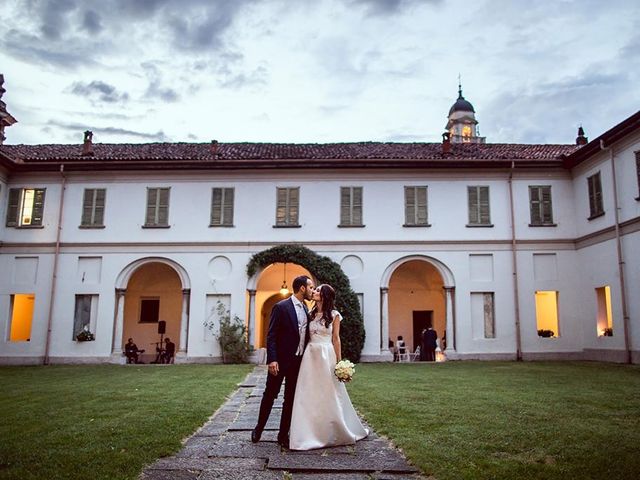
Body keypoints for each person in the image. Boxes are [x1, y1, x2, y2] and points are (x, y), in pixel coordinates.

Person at [289, 284, 369, 450]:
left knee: (329, 392)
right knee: (308, 393)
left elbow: (336, 339)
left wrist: (340, 362)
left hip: (327, 355)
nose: (314, 292)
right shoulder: (310, 314)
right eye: (315, 289)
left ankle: (333, 429)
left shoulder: (334, 315)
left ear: (325, 295)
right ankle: (307, 432)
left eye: (318, 290)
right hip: (310, 357)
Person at [252, 275, 314, 448]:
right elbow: (271, 335)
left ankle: (283, 435)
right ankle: (259, 428)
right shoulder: (281, 307)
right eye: (310, 287)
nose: (312, 290)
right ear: (302, 288)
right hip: (279, 362)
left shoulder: (307, 309)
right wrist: (272, 359)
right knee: (270, 396)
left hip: (297, 362)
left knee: (290, 399)